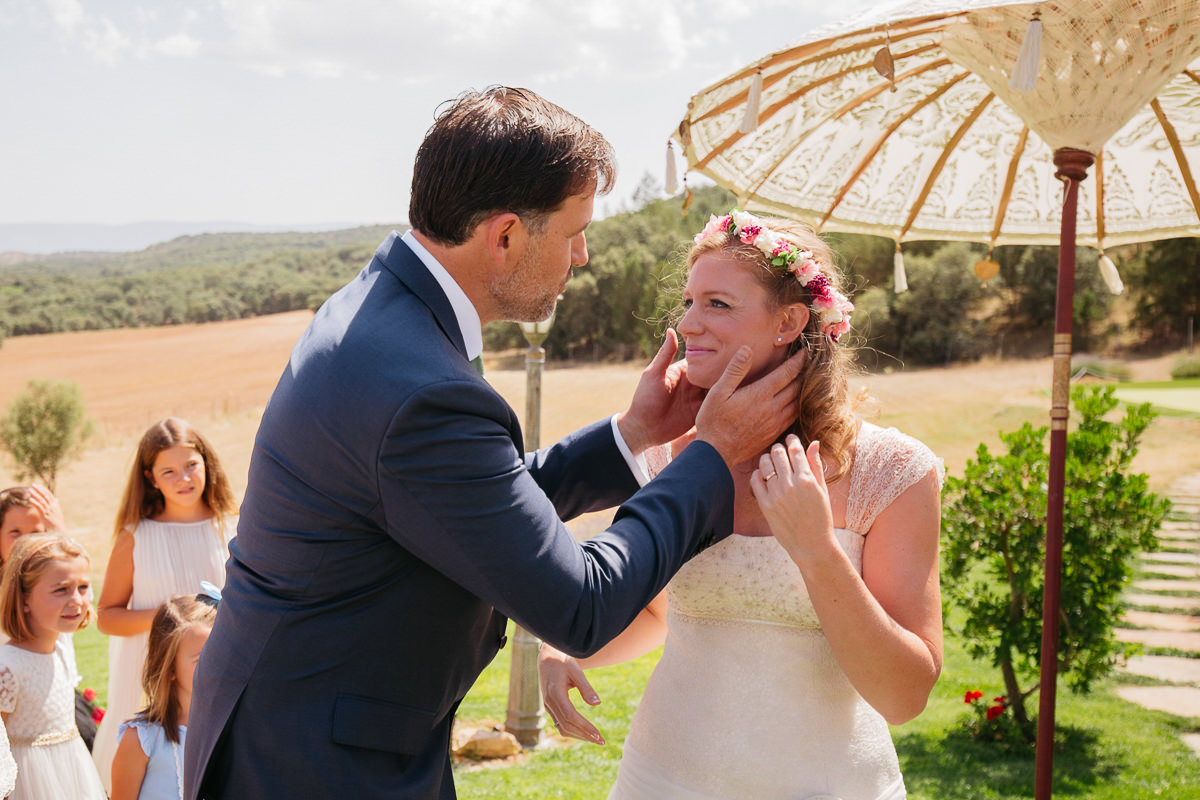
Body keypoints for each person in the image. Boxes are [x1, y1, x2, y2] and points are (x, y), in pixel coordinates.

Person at [184, 86, 805, 800]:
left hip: (300, 731)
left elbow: (460, 503)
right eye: (573, 231)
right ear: (506, 236)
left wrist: (631, 436)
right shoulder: (420, 385)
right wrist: (712, 457)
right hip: (320, 766)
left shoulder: (387, 314)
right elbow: (582, 605)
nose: (582, 255)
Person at [539, 209, 944, 800]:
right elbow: (655, 614)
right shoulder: (671, 457)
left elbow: (905, 696)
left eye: (718, 304)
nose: (689, 324)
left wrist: (816, 552)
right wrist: (563, 647)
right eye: (690, 301)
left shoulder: (891, 472)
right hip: (664, 779)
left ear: (789, 322)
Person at [93, 418, 236, 791]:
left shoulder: (232, 527)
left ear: (207, 463)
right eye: (168, 471)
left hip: (212, 668)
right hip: (151, 668)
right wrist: (169, 619)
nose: (183, 478)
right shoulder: (136, 536)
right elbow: (106, 616)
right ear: (151, 478)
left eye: (191, 465)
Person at [0, 534, 106, 799]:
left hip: (72, 773)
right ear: (24, 598)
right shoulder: (8, 668)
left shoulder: (60, 648)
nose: (77, 600)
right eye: (61, 590)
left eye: (83, 587)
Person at [0, 485, 100, 752]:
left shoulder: (59, 586)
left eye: (36, 532)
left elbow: (82, 596)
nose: (26, 541)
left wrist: (61, 534)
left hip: (56, 688)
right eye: (15, 532)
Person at [111, 591, 218, 800]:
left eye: (221, 654)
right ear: (168, 668)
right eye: (201, 659)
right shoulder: (140, 741)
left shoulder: (236, 730)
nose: (217, 666)